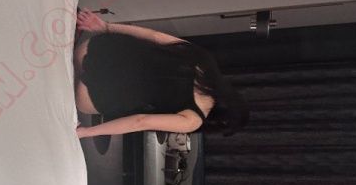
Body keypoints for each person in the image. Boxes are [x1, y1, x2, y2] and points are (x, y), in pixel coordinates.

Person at [74, 9, 249, 138]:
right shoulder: (194, 120)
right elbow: (141, 121)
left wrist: (105, 27)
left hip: (93, 50)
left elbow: (154, 36)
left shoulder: (204, 60)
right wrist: (88, 132)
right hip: (89, 94)